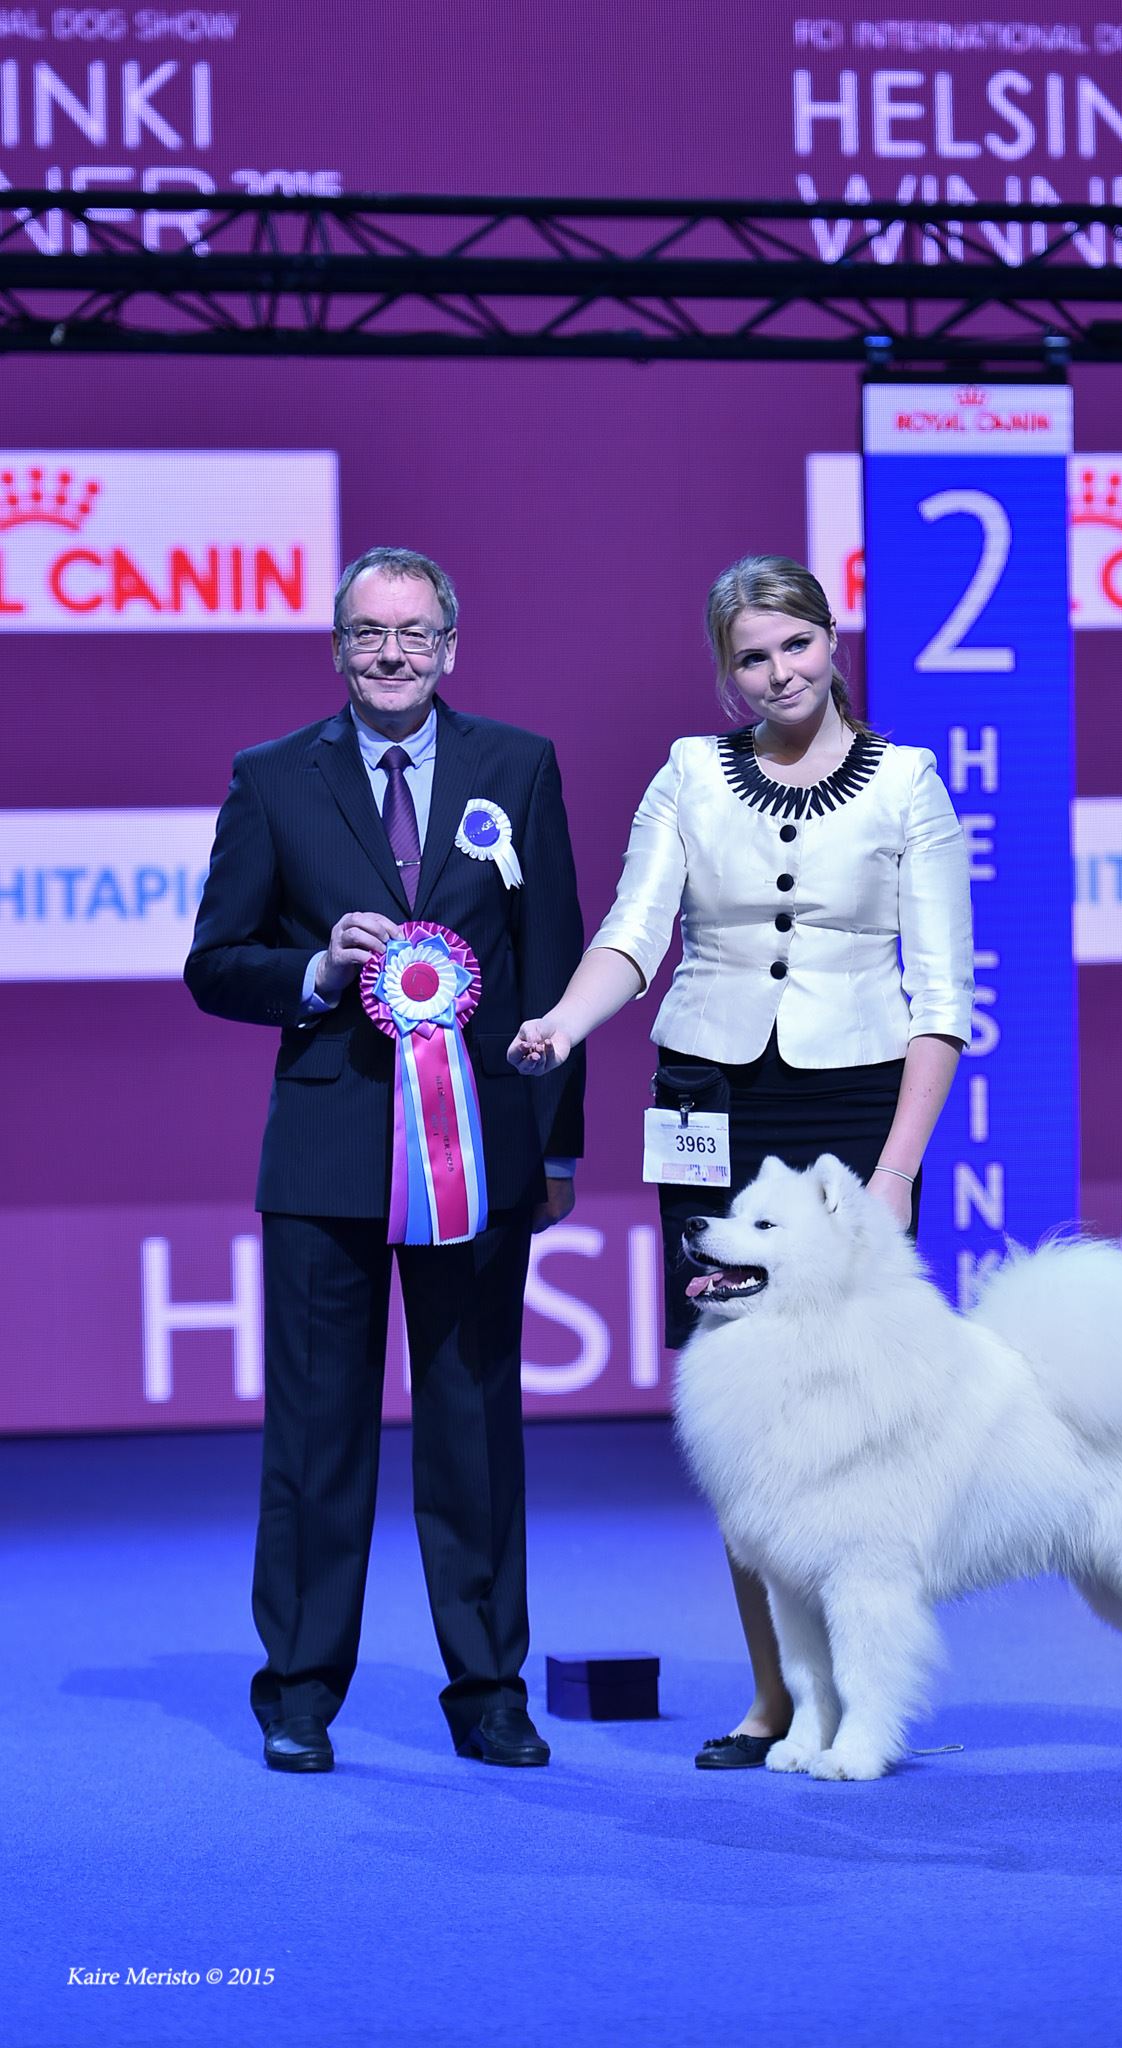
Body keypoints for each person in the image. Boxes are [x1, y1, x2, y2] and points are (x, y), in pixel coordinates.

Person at [509, 554, 973, 1768]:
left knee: (847, 1402)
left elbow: (941, 997)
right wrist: (563, 1021)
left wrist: (892, 1171)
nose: (776, 673)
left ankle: (853, 1690)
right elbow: (632, 931)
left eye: (794, 646)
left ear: (831, 641)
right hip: (709, 1099)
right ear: (726, 670)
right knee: (738, 1404)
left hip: (856, 1117)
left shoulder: (909, 785)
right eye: (750, 657)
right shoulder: (688, 775)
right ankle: (775, 1695)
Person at [185, 545, 584, 1774]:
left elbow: (556, 955)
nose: (393, 653)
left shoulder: (516, 765)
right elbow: (214, 962)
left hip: (480, 1154)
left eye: (414, 632)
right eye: (368, 634)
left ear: (451, 645)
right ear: (338, 649)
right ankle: (299, 1689)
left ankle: (489, 1690)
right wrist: (312, 971)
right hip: (325, 1155)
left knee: (474, 1423)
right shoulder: (271, 778)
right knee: (315, 1436)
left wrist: (558, 1141)